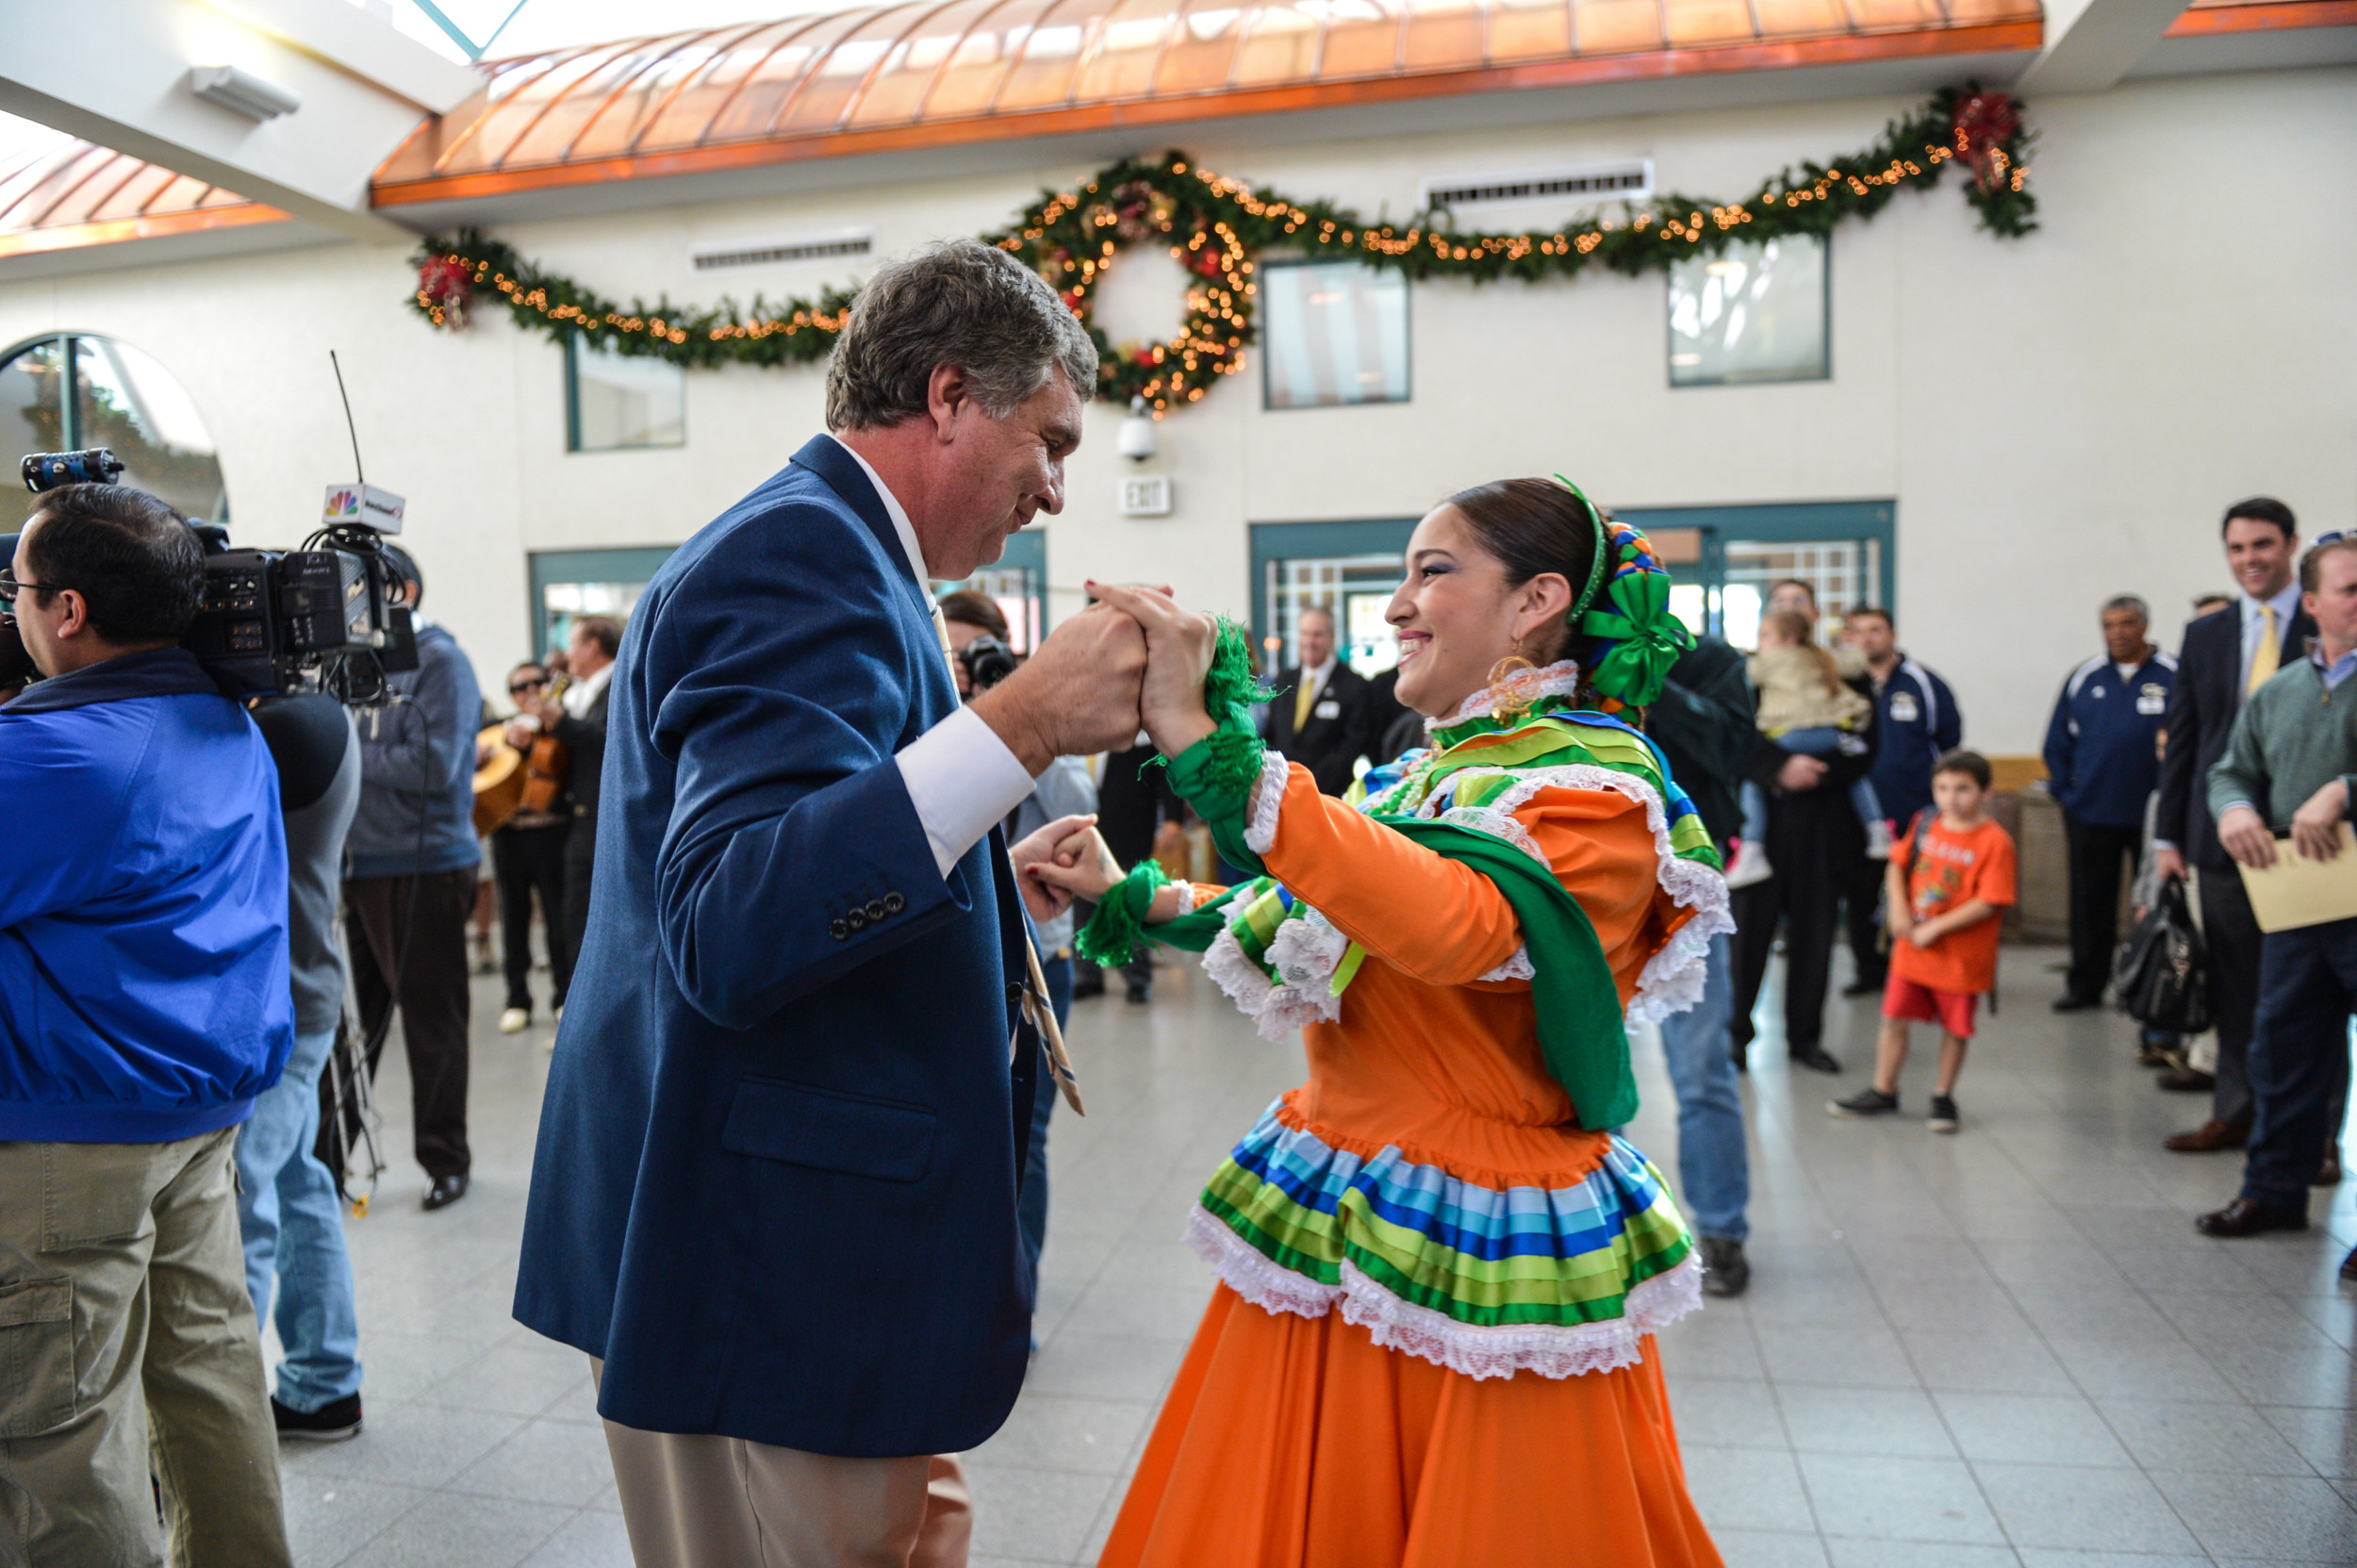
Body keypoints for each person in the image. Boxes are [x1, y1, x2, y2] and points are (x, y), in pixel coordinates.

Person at [514, 238, 1154, 1565]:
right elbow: (735, 921)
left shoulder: (846, 551)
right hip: (752, 1243)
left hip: (793, 1221)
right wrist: (1024, 723)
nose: (1052, 487)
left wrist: (987, 872)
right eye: (1051, 439)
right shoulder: (800, 556)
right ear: (946, 397)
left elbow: (824, 836)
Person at [1039, 480, 1729, 1566]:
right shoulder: (1422, 769)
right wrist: (1128, 890)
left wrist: (1210, 745)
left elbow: (1460, 927)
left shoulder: (1597, 783)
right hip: (1347, 1176)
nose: (1398, 604)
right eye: (1404, 574)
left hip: (1482, 1222)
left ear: (1535, 601)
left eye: (1433, 571)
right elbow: (1304, 911)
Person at [0, 492, 294, 1565]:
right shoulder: (223, 723)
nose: (13, 608)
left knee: (61, 1437)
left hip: (67, 1143)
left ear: (68, 609)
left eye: (17, 591)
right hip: (197, 1117)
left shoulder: (60, 757)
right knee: (210, 1383)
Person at [2194, 534, 2357, 1253]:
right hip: (2299, 902)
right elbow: (2233, 768)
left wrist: (2345, 791)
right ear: (2313, 602)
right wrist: (2233, 808)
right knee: (2282, 1048)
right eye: (2350, 589)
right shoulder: (2281, 689)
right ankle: (2272, 1191)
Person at [939, 586, 1099, 1312]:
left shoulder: (1023, 707)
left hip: (1041, 953)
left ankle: (1013, 1303)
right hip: (950, 953)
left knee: (1024, 1139)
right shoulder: (927, 708)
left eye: (977, 650)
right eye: (953, 650)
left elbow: (1076, 798)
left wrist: (1014, 714)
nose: (965, 664)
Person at [2152, 498, 2309, 1151]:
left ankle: (2313, 1134)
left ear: (2291, 545)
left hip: (2309, 841)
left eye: (2263, 545)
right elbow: (2184, 739)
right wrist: (2168, 836)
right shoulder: (2207, 634)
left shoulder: (2326, 618)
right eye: (2238, 548)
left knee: (2309, 991)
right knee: (2236, 984)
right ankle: (2237, 1110)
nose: (2250, 559)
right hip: (2220, 835)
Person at [332, 547, 484, 1212]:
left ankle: (445, 1159)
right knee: (351, 1028)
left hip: (424, 867)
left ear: (406, 590)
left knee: (431, 1023)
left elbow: (435, 764)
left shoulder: (441, 663)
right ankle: (327, 1159)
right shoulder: (346, 665)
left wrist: (340, 746)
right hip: (357, 866)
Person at [239, 693, 368, 1440]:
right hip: (307, 987)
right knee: (297, 1180)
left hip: (270, 1001)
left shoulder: (282, 728)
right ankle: (325, 1380)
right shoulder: (328, 713)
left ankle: (208, 1431)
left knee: (239, 1207)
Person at [1645, 633, 1760, 1296]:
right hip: (1587, 886)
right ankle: (1602, 1232)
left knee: (1701, 1070)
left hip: (1685, 886)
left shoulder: (1710, 661)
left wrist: (1648, 681)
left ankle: (1721, 1230)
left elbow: (1734, 747)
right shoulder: (1554, 654)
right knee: (1582, 1073)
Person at [1830, 750, 2018, 1133]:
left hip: (1960, 956)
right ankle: (1884, 1089)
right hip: (1913, 949)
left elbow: (1991, 899)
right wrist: (1898, 908)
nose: (1951, 798)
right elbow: (1898, 863)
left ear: (1987, 792)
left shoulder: (1996, 842)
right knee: (1894, 1017)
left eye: (1963, 789)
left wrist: (1938, 927)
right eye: (1943, 787)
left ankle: (1943, 1095)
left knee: (1955, 1027)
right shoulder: (1927, 822)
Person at [1729, 595, 1878, 1076]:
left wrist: (1818, 770)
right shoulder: (1750, 672)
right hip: (1763, 822)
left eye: (1800, 603)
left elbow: (1864, 744)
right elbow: (1731, 736)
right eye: (1782, 602)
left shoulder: (1841, 670)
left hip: (1827, 820)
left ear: (1809, 619)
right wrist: (1779, 768)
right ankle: (1735, 1037)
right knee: (1748, 933)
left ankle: (1805, 1038)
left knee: (1815, 933)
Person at [2043, 596, 2175, 1011]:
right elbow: (2057, 743)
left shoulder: (2174, 674)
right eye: (2109, 624)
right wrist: (2068, 795)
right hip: (2091, 812)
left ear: (2145, 625)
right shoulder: (2084, 677)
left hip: (2155, 815)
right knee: (2089, 905)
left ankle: (2148, 986)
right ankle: (2085, 986)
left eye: (2127, 623)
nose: (2117, 632)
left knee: (2155, 904)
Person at [1841, 606, 1961, 996]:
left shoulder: (1924, 684)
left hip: (1913, 812)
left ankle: (1913, 968)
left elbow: (1948, 743)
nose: (1867, 638)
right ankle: (1869, 971)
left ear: (1891, 635)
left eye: (1876, 630)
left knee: (1917, 894)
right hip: (1857, 814)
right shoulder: (1840, 684)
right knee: (1861, 894)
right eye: (1858, 631)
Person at [1730, 608, 1886, 883]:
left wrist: (1743, 656)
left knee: (1752, 785)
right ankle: (1877, 831)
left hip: (1791, 734)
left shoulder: (1770, 658)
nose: (1762, 642)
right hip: (1830, 733)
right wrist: (1849, 647)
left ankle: (1751, 849)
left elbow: (1744, 677)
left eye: (1765, 635)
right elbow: (1856, 666)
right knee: (1858, 780)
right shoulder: (1822, 656)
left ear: (1788, 638)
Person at [513, 614, 617, 1028]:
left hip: (596, 826)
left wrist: (559, 722)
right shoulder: (581, 693)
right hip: (577, 822)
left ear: (593, 647)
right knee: (573, 924)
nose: (568, 654)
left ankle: (587, 1023)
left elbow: (608, 743)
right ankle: (580, 1018)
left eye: (574, 644)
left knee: (584, 925)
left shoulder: (616, 688)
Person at [491, 660, 572, 1034]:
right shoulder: (501, 730)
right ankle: (517, 999)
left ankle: (563, 997)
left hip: (553, 834)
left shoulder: (561, 724)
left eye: (536, 684)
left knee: (559, 920)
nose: (528, 693)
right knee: (513, 919)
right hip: (510, 836)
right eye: (518, 688)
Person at [1262, 602, 1378, 795]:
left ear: (1332, 638)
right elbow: (1270, 735)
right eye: (1304, 633)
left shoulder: (1354, 686)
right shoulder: (1284, 680)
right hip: (1281, 793)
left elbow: (1352, 746)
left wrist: (1307, 784)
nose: (1309, 641)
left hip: (1328, 795)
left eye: (1317, 634)